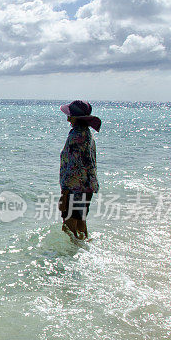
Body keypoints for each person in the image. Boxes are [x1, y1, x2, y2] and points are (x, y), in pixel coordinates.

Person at [58, 100, 101, 240]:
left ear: (76, 118)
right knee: (81, 223)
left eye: (70, 115)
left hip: (75, 188)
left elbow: (73, 167)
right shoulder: (87, 134)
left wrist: (64, 191)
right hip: (87, 186)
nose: (67, 118)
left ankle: (72, 257)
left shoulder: (77, 137)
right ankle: (86, 250)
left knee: (69, 227)